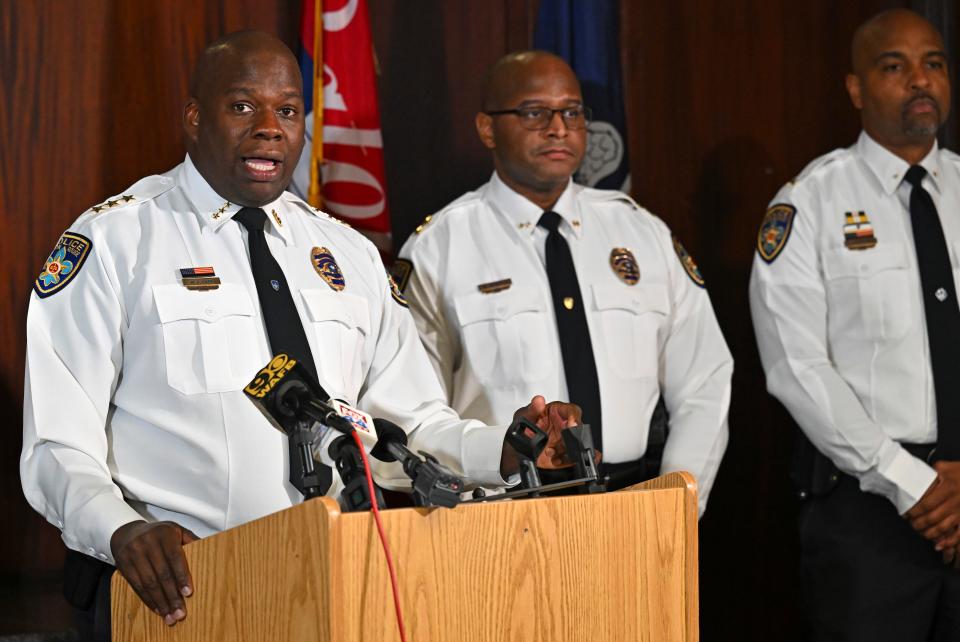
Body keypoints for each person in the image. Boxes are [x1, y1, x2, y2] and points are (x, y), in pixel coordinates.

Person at [19, 32, 580, 639]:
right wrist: (118, 529)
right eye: (242, 106)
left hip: (334, 584)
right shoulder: (115, 242)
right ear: (193, 117)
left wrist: (504, 448)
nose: (269, 128)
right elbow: (57, 444)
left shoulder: (349, 254)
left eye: (287, 110)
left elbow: (410, 426)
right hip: (177, 593)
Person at [396, 51, 732, 514]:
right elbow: (415, 413)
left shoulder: (642, 233)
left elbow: (705, 378)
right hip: (502, 511)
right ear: (487, 128)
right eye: (535, 113)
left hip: (637, 503)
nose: (559, 128)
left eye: (572, 112)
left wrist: (677, 502)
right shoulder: (440, 247)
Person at [749, 9, 960, 641]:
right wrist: (912, 484)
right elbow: (797, 368)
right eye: (894, 67)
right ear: (856, 88)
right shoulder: (808, 202)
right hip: (870, 513)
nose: (920, 80)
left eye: (934, 64)